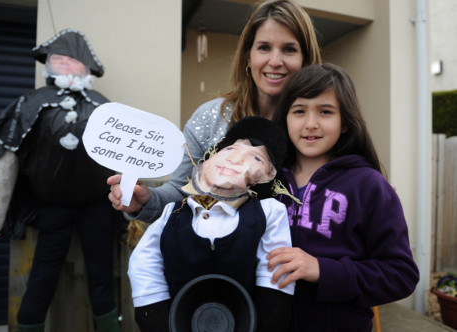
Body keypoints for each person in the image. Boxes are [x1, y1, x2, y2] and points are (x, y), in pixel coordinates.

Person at [107, 0, 322, 223]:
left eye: (289, 49)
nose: (275, 61)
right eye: (264, 47)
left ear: (305, 60)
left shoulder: (316, 127)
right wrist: (146, 200)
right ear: (248, 57)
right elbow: (182, 191)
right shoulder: (211, 117)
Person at [0, 29, 122, 332]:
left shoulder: (104, 107)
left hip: (98, 207)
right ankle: (29, 325)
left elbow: (126, 154)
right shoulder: (31, 103)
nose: (63, 62)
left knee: (102, 274)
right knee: (43, 272)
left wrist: (132, 208)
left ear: (87, 66)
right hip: (52, 207)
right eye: (57, 57)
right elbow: (7, 160)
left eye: (70, 57)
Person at [267, 63, 420, 331]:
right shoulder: (265, 181)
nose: (310, 123)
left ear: (346, 122)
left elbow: (401, 275)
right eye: (299, 111)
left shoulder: (369, 186)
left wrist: (323, 271)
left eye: (325, 112)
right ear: (285, 118)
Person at [128, 117, 299, 332]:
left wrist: (269, 318)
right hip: (180, 321)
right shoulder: (173, 213)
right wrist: (157, 317)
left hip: (246, 321)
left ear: (267, 176)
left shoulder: (269, 213)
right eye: (229, 150)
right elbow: (144, 264)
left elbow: (275, 270)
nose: (235, 160)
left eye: (256, 158)